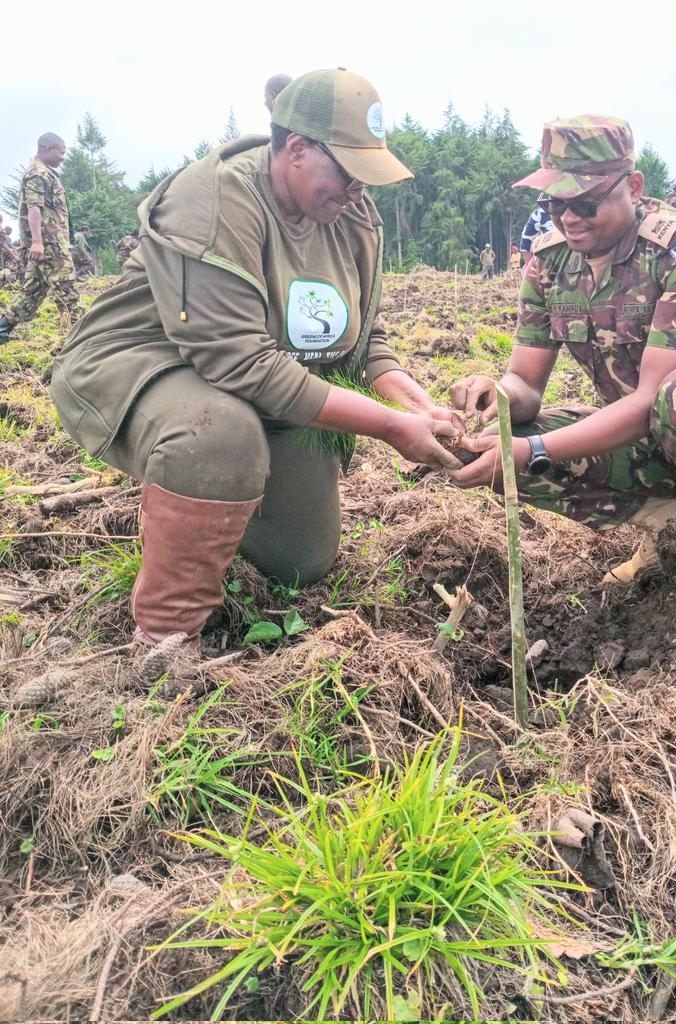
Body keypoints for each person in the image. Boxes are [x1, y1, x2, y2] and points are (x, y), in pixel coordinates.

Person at [50, 69, 461, 652]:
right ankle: (166, 636)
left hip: (256, 377)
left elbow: (365, 332)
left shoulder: (350, 218)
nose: (356, 193)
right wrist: (393, 428)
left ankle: (207, 506)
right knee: (214, 437)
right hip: (144, 360)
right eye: (347, 174)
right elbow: (241, 361)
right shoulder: (217, 199)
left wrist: (409, 396)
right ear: (295, 149)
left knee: (301, 561)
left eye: (365, 179)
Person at [448, 116, 676, 697]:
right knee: (486, 444)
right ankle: (671, 525)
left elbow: (648, 404)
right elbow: (527, 380)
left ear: (633, 187)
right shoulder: (549, 262)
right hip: (651, 435)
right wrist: (497, 396)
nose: (568, 218)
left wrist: (531, 450)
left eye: (585, 202)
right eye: (556, 201)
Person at [0, 133, 81, 343]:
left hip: (49, 242)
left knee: (32, 291)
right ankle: (82, 337)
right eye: (61, 152)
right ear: (48, 149)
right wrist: (37, 241)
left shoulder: (45, 172)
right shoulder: (37, 172)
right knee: (67, 287)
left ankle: (2, 328)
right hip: (49, 243)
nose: (63, 157)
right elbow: (34, 207)